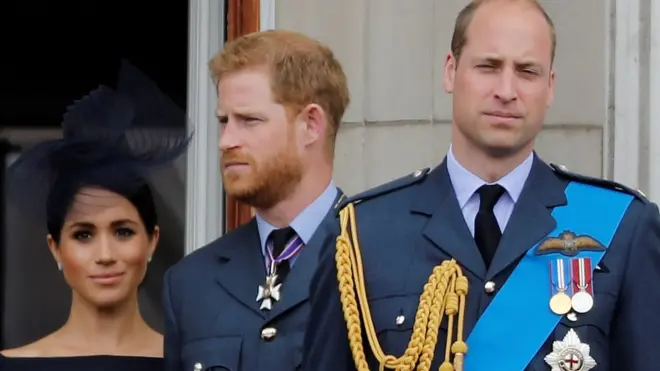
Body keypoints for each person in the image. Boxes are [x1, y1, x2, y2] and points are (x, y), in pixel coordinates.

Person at [303, 0, 660, 370]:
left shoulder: (622, 230)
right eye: (488, 66)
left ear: (550, 86)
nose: (506, 90)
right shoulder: (361, 235)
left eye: (527, 71)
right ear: (450, 71)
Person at [162, 29, 350, 371]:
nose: (226, 140)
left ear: (311, 124)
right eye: (223, 121)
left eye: (249, 120)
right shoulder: (191, 283)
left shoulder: (380, 257)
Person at [0, 61, 191, 371]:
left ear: (152, 240)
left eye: (123, 232)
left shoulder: (190, 364)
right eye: (83, 235)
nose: (105, 255)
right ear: (55, 248)